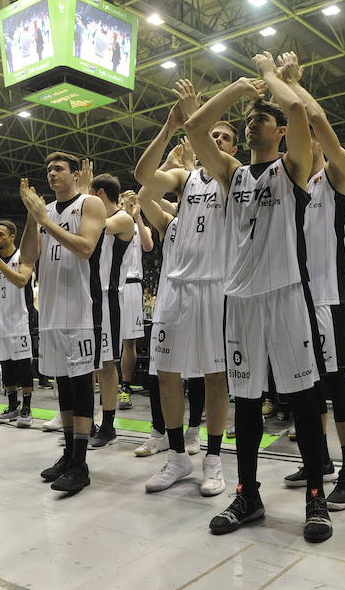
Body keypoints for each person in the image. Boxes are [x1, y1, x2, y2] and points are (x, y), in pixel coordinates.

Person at [185, 52, 331, 542]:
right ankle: (247, 493)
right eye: (249, 121)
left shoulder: (293, 166)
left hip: (287, 294)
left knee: (305, 399)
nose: (252, 125)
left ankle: (316, 497)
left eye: (261, 119)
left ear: (281, 132)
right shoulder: (231, 174)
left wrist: (272, 79)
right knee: (245, 401)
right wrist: (239, 92)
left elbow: (300, 113)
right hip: (241, 299)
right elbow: (195, 129)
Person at [134, 80, 235, 496]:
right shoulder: (187, 177)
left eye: (225, 137)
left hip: (215, 286)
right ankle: (177, 457)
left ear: (233, 148)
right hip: (176, 288)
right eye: (212, 134)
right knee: (166, 374)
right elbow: (143, 178)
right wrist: (170, 126)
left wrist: (197, 119)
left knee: (215, 376)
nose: (217, 139)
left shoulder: (235, 177)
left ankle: (213, 459)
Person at [274, 52, 345, 510]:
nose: (305, 142)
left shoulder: (338, 177)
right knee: (303, 387)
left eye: (310, 137)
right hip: (294, 301)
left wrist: (290, 83)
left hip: (329, 299)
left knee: (336, 384)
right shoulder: (288, 185)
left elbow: (316, 117)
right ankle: (320, 462)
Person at [19, 152, 106, 494]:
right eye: (48, 170)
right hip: (51, 312)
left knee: (82, 388)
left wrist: (46, 221)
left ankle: (81, 465)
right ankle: (69, 455)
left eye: (58, 169)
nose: (52, 174)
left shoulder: (89, 204)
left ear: (75, 174)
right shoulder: (46, 212)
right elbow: (28, 256)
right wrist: (33, 217)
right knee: (63, 388)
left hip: (81, 311)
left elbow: (85, 247)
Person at [85, 167, 135, 449]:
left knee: (106, 364)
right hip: (87, 298)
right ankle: (87, 421)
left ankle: (109, 424)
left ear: (99, 194)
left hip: (108, 299)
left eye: (90, 197)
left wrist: (80, 196)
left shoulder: (122, 218)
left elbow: (97, 224)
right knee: (86, 365)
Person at [0, 220, 37, 428]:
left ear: (12, 236)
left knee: (22, 366)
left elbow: (20, 280)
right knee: (6, 365)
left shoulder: (22, 257)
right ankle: (12, 406)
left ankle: (27, 408)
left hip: (19, 319)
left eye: (1, 234)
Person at [116, 191, 154, 410]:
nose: (127, 206)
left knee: (129, 342)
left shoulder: (142, 229)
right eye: (123, 202)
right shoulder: (113, 225)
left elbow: (148, 246)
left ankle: (125, 386)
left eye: (131, 203)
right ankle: (107, 385)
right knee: (108, 341)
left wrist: (137, 215)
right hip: (112, 285)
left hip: (132, 285)